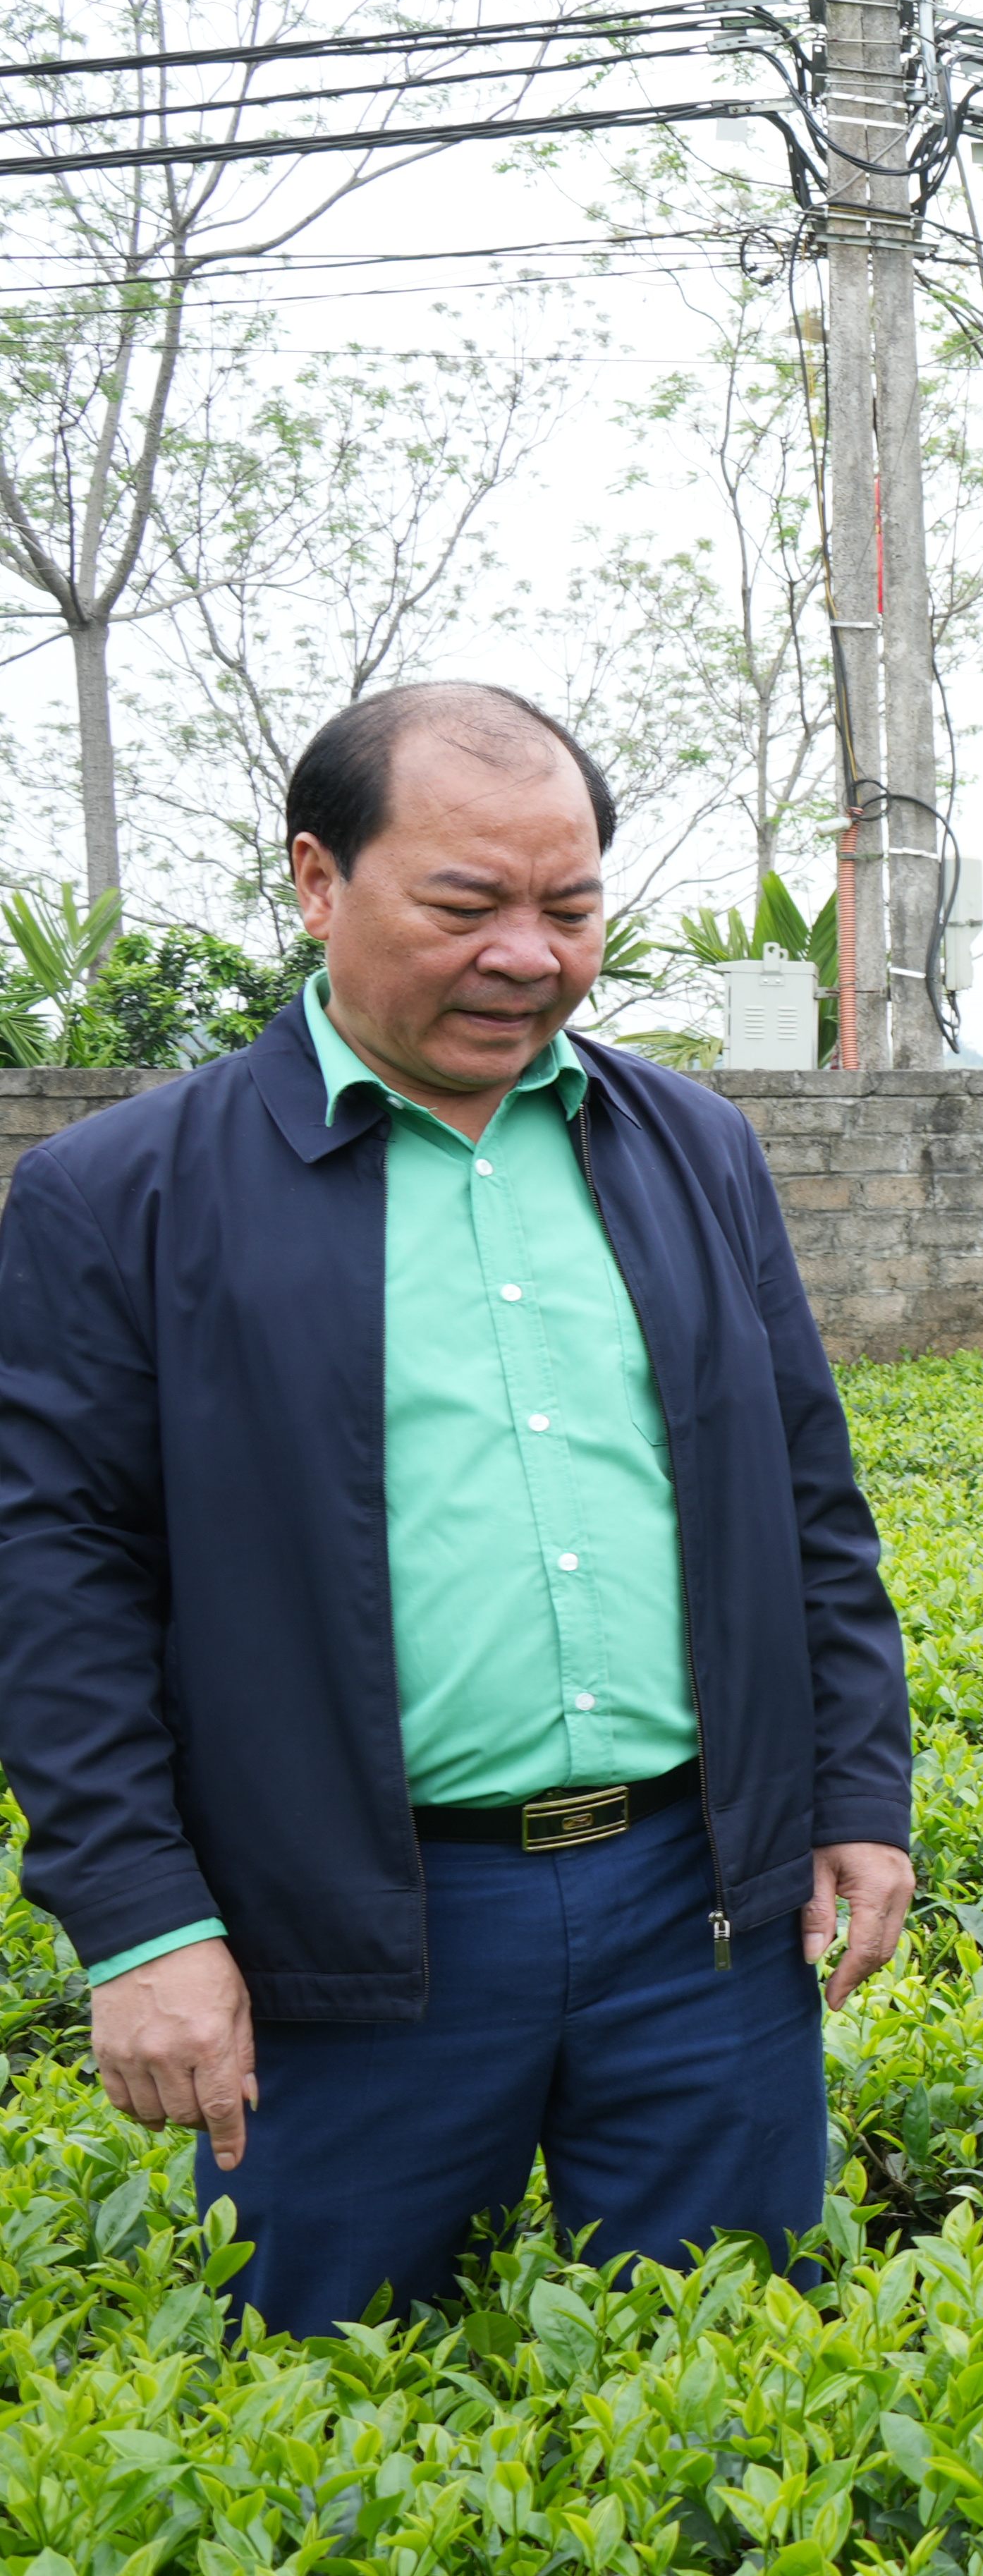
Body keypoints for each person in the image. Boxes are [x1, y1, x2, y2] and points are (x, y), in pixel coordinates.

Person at [0, 682, 915, 2335]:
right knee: (335, 2411)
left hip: (697, 1907)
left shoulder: (694, 1147)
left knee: (727, 2403)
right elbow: (58, 1575)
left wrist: (857, 1789)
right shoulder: (121, 1196)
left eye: (570, 909)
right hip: (343, 1928)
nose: (529, 954)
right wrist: (138, 1917)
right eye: (465, 904)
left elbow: (806, 1498)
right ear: (315, 880)